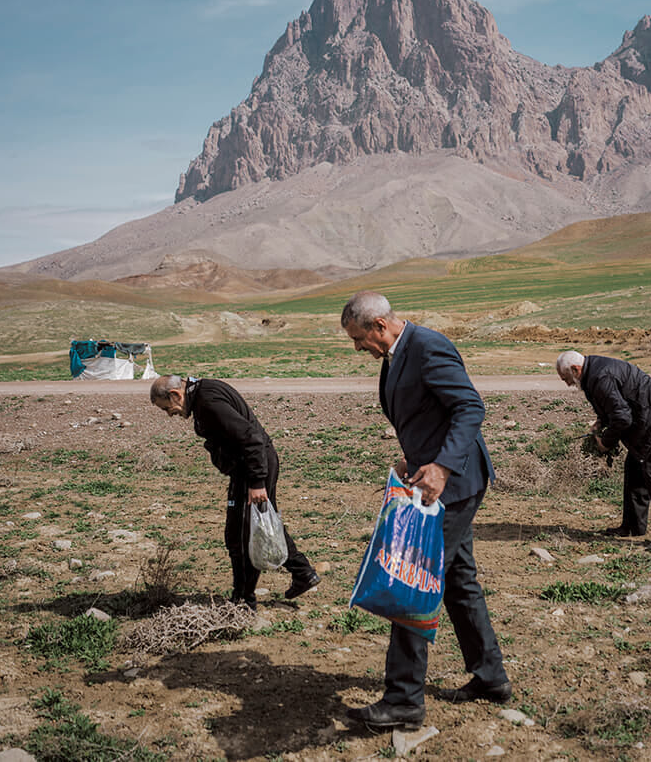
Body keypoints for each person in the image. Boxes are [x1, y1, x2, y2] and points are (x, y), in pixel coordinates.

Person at [341, 291, 511, 729]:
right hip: (435, 480)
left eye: (360, 339)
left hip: (453, 486)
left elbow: (470, 407)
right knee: (458, 583)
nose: (358, 348)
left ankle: (404, 699)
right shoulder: (394, 356)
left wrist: (441, 467)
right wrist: (414, 457)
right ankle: (490, 677)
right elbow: (424, 414)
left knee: (413, 580)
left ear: (379, 326)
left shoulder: (428, 346)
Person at [149, 374, 320, 607]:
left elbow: (251, 439)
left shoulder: (208, 402)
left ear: (175, 394)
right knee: (258, 525)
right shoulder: (203, 393)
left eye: (167, 408)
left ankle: (243, 599)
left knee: (242, 534)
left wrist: (257, 482)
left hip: (253, 468)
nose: (170, 414)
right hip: (249, 468)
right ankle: (302, 573)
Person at [555, 351, 651, 550]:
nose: (567, 384)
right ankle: (633, 526)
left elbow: (622, 418)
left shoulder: (599, 377)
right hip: (647, 421)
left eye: (566, 379)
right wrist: (601, 421)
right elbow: (614, 405)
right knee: (634, 469)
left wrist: (605, 442)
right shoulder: (592, 372)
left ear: (575, 369)